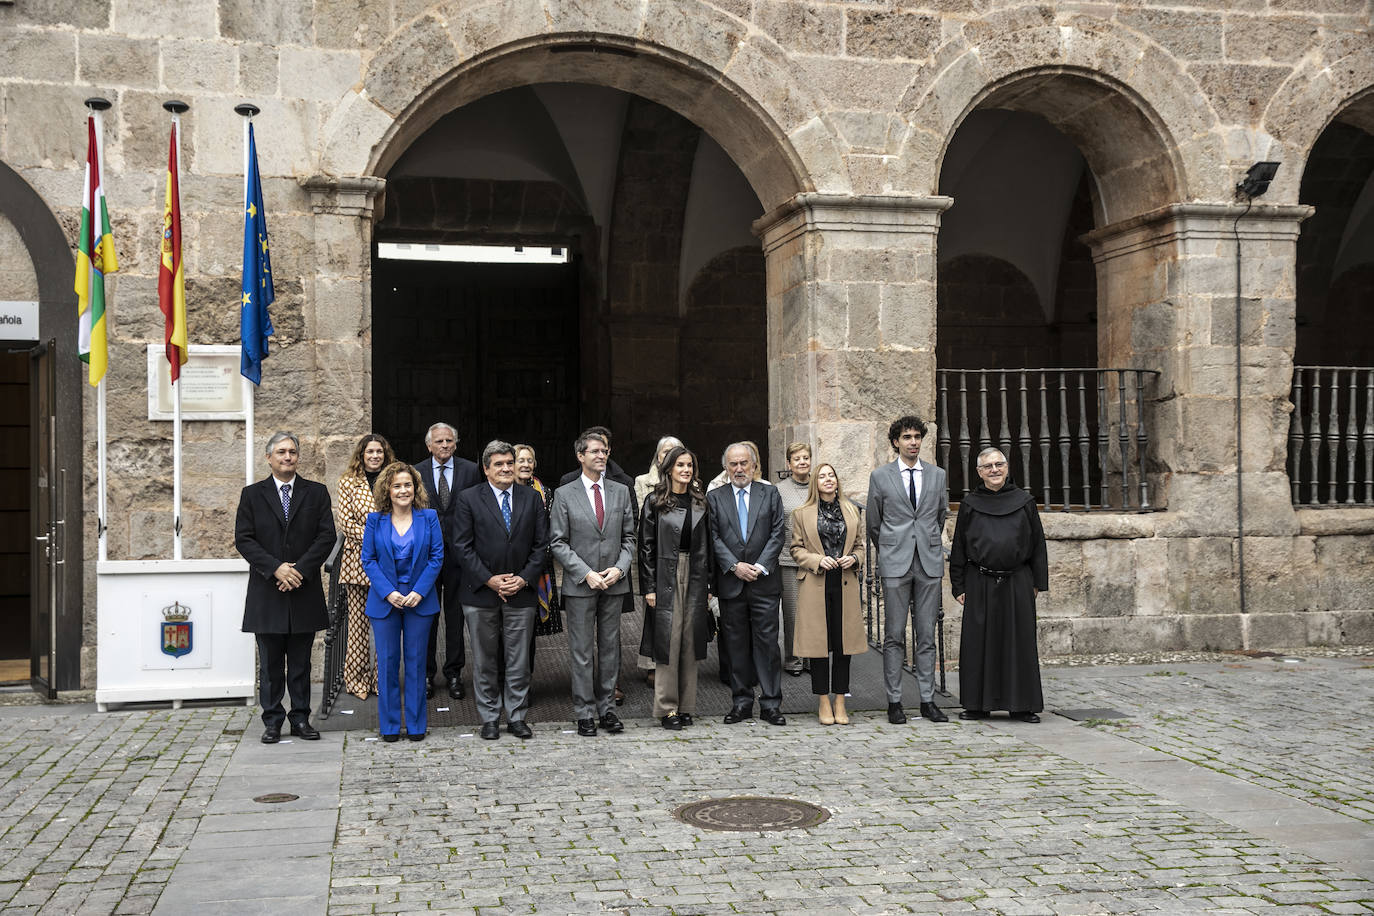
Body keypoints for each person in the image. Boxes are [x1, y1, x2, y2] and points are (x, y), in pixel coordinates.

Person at [234, 431, 336, 744]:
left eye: (292, 451)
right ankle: (273, 720)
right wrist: (276, 569)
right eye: (281, 452)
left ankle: (301, 718)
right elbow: (244, 539)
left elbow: (326, 536)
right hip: (268, 590)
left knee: (301, 663)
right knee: (271, 664)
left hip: (303, 590)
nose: (287, 457)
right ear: (269, 458)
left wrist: (300, 571)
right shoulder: (252, 495)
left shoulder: (316, 493)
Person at [453, 441, 549, 740]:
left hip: (521, 592)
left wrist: (522, 579)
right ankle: (490, 717)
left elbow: (542, 545)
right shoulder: (469, 498)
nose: (507, 468)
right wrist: (489, 579)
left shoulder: (531, 498)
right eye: (499, 464)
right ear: (486, 469)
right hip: (481, 593)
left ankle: (517, 716)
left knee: (519, 660)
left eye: (510, 462)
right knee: (485, 660)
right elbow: (461, 546)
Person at [950, 448, 1049, 723]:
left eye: (999, 464)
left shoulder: (1024, 501)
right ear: (979, 473)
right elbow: (959, 545)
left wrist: (1038, 583)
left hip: (1018, 580)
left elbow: (1038, 544)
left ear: (1006, 468)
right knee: (979, 644)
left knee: (1019, 643)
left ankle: (1022, 705)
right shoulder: (970, 503)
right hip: (979, 579)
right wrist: (958, 585)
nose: (994, 470)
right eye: (988, 466)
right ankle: (976, 704)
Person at [550, 429, 636, 737]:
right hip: (580, 584)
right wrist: (584, 572)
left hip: (613, 582)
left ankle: (607, 710)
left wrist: (620, 568)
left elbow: (629, 537)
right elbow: (558, 541)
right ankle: (584, 712)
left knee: (611, 647)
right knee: (582, 650)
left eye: (605, 451)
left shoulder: (621, 491)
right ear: (580, 456)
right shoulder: (564, 493)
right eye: (595, 451)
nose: (602, 456)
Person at [867, 414, 950, 725]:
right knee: (893, 634)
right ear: (895, 442)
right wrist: (892, 546)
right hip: (895, 561)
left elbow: (940, 516)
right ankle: (895, 701)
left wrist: (925, 542)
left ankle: (928, 700)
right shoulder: (881, 476)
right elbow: (874, 522)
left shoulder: (937, 475)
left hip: (928, 561)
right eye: (907, 437)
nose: (913, 442)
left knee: (927, 634)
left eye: (917, 437)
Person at [361, 462, 444, 742]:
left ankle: (417, 725)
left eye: (407, 484)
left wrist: (420, 591)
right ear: (387, 489)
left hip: (420, 599)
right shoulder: (375, 520)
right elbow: (368, 560)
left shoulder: (429, 517)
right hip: (386, 600)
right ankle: (390, 726)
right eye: (397, 485)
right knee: (386, 663)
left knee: (417, 663)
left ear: (416, 487)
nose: (403, 490)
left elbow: (436, 557)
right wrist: (388, 592)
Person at [707, 442, 787, 726]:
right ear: (726, 468)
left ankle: (771, 704)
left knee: (767, 645)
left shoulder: (770, 493)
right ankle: (741, 703)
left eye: (744, 463)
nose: (739, 469)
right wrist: (734, 566)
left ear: (754, 465)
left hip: (764, 582)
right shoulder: (715, 497)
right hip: (731, 583)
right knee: (735, 645)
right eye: (733, 464)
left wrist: (760, 566)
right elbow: (713, 537)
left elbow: (778, 532)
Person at [638, 445, 711, 730]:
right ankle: (667, 708)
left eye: (689, 465)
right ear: (669, 468)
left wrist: (709, 583)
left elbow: (708, 545)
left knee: (691, 641)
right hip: (665, 575)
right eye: (680, 465)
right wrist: (649, 587)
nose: (686, 470)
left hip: (695, 572)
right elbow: (645, 547)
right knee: (668, 641)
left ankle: (686, 706)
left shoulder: (700, 501)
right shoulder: (654, 501)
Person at [789, 463, 867, 725]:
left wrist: (854, 558)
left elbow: (860, 546)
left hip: (844, 582)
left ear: (837, 480)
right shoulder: (802, 513)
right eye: (822, 476)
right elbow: (796, 549)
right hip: (816, 582)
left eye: (831, 475)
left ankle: (840, 700)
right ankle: (823, 701)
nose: (827, 479)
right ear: (815, 483)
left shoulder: (852, 510)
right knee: (818, 646)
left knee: (843, 646)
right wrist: (816, 560)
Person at [413, 422, 481, 701]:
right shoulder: (416, 472)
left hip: (460, 555)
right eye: (439, 441)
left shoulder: (470, 470)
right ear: (429, 445)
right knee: (426, 617)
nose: (444, 446)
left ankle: (454, 673)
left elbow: (479, 507)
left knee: (456, 616)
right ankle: (427, 674)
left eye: (449, 441)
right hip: (426, 557)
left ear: (456, 444)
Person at [334, 434, 393, 700]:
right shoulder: (348, 482)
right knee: (357, 627)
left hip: (389, 563)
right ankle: (357, 680)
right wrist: (377, 536)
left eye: (379, 452)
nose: (375, 456)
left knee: (386, 626)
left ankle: (382, 680)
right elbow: (346, 523)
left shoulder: (392, 480)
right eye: (370, 451)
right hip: (357, 562)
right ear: (361, 454)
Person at [633, 436, 683, 687]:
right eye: (665, 452)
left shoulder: (689, 480)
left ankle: (677, 664)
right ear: (658, 455)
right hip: (657, 551)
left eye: (675, 451)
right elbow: (645, 518)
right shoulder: (644, 482)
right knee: (654, 616)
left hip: (681, 556)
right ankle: (652, 664)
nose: (669, 456)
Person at [514, 443, 559, 673]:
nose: (525, 464)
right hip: (508, 568)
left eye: (529, 460)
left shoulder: (546, 493)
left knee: (529, 629)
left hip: (536, 568)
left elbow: (551, 532)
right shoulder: (501, 492)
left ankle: (524, 680)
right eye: (520, 460)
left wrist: (535, 561)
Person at [776, 442, 812, 677]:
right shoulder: (779, 490)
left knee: (814, 612)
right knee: (792, 613)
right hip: (788, 558)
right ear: (789, 464)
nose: (802, 462)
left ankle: (812, 659)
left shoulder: (818, 486)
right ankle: (793, 659)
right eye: (797, 458)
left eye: (806, 458)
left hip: (816, 559)